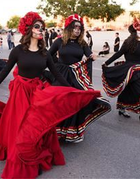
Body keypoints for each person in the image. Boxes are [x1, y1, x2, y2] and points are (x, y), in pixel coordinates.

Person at [0, 12, 101, 178]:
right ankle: (20, 158)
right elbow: (5, 71)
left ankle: (33, 157)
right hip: (20, 94)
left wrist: (73, 91)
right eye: (37, 27)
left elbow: (57, 75)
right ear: (29, 28)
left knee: (36, 127)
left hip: (38, 93)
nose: (41, 30)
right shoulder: (17, 51)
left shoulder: (44, 53)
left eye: (42, 28)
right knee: (21, 128)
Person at [48, 14, 111, 143]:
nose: (77, 30)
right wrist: (55, 66)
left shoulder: (82, 43)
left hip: (77, 75)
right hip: (61, 74)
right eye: (75, 27)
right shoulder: (59, 41)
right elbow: (48, 55)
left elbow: (89, 54)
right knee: (58, 101)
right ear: (68, 28)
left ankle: (71, 130)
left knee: (75, 102)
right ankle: (55, 130)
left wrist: (93, 55)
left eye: (79, 28)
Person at [102, 18, 140, 122]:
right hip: (131, 70)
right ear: (135, 31)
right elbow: (119, 53)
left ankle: (135, 111)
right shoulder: (128, 42)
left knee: (131, 90)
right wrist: (106, 63)